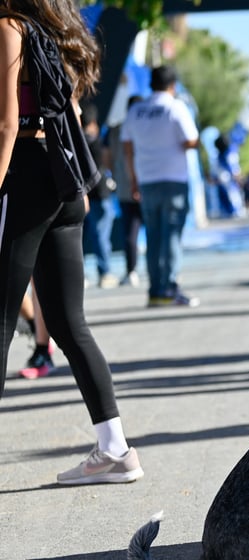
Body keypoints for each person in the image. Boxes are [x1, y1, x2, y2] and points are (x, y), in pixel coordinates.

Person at [0, 0, 144, 484]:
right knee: (67, 320)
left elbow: (4, 124)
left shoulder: (9, 28)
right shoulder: (57, 36)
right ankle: (116, 449)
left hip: (23, 176)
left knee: (2, 318)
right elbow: (73, 112)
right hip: (65, 183)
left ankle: (115, 450)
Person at [121, 65, 200, 308]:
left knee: (154, 237)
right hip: (174, 179)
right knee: (172, 236)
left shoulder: (136, 111)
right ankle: (169, 287)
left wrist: (133, 179)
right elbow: (191, 140)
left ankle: (155, 290)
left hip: (146, 180)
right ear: (173, 85)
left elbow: (127, 148)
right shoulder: (176, 107)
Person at [104, 94, 144, 288]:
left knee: (131, 230)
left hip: (124, 186)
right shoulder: (143, 127)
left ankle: (131, 271)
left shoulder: (114, 130)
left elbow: (107, 157)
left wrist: (115, 175)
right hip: (144, 184)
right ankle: (159, 271)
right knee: (152, 230)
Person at [80, 101, 120, 289]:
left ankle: (81, 274)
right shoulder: (96, 143)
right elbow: (101, 167)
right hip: (100, 194)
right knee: (101, 236)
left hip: (82, 195)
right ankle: (104, 272)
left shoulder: (75, 142)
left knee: (82, 237)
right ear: (94, 121)